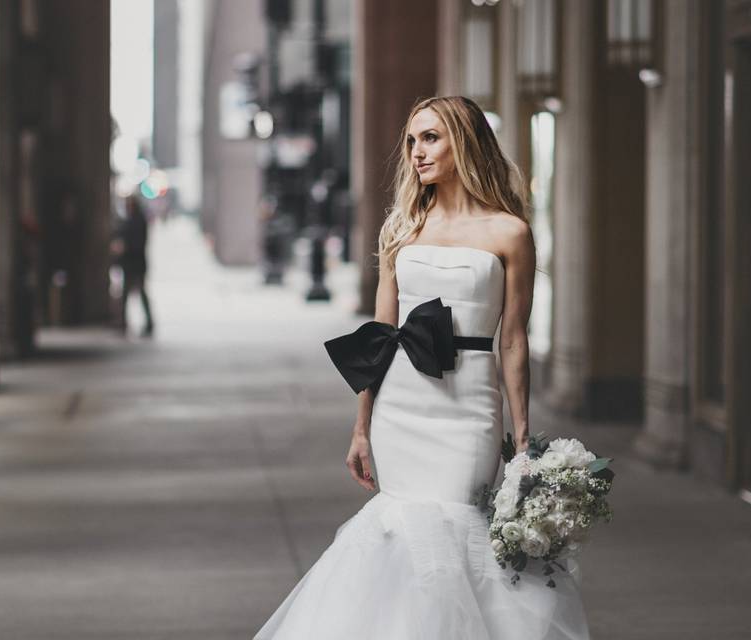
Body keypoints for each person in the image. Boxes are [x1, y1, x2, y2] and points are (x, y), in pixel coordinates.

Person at [253, 96, 590, 639]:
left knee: (459, 531)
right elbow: (380, 340)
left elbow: (513, 341)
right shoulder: (403, 227)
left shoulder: (510, 233)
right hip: (401, 410)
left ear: (465, 142)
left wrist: (522, 437)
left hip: (470, 408)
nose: (416, 152)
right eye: (412, 141)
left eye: (431, 138)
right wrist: (362, 427)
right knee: (406, 539)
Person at [117, 196, 155, 337]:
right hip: (132, 263)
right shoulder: (132, 220)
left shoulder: (137, 221)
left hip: (135, 263)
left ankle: (146, 322)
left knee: (138, 292)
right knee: (129, 293)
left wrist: (124, 248)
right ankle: (123, 322)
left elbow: (137, 243)